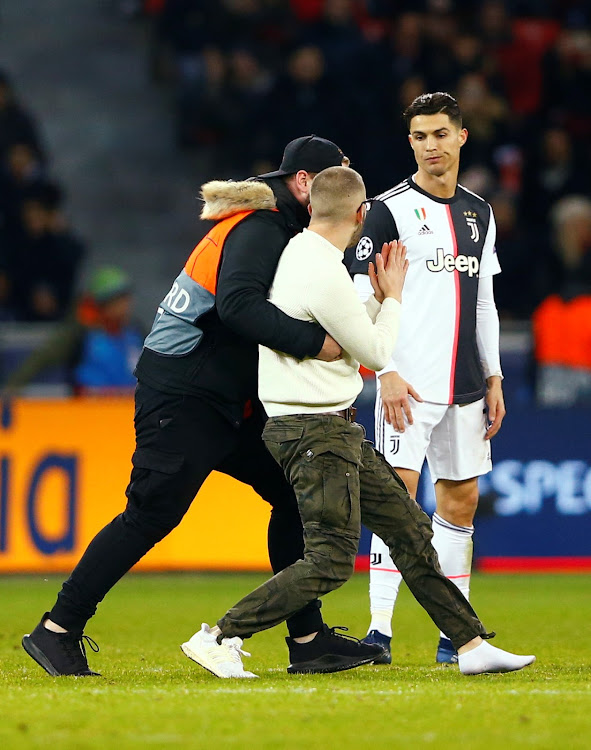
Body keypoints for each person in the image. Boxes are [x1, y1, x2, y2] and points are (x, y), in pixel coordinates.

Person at [22, 135, 384, 677]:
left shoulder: (270, 224)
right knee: (152, 513)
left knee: (290, 494)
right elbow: (238, 307)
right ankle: (57, 630)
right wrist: (318, 345)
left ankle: (309, 640)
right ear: (305, 183)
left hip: (219, 396)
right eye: (331, 178)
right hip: (186, 394)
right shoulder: (262, 228)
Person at [180, 166, 534, 679]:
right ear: (362, 214)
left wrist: (377, 299)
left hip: (330, 427)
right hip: (312, 430)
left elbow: (350, 322)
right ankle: (218, 636)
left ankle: (470, 644)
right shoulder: (320, 268)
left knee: (411, 529)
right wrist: (393, 296)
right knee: (329, 558)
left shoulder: (306, 256)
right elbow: (376, 349)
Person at [346, 92, 506, 665]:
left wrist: (494, 374)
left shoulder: (478, 212)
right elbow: (361, 295)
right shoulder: (388, 210)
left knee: (460, 503)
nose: (431, 146)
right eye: (420, 137)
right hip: (406, 385)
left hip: (466, 383)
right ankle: (379, 631)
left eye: (440, 134)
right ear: (409, 142)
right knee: (398, 505)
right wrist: (382, 371)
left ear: (462, 137)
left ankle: (452, 635)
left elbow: (484, 300)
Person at [2, 266, 143, 395]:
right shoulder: (81, 335)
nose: (125, 306)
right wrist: (11, 389)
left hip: (129, 410)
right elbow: (40, 359)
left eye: (126, 300)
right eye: (118, 301)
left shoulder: (137, 333)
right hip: (88, 411)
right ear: (103, 304)